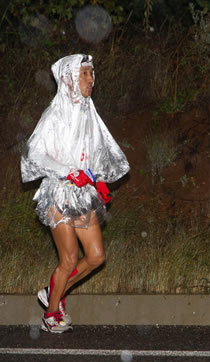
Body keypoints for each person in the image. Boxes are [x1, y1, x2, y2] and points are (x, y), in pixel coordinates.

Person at [20, 54, 130, 333]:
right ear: (69, 78)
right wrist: (68, 171)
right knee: (68, 258)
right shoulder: (54, 114)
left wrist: (101, 181)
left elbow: (96, 152)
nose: (91, 80)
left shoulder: (87, 112)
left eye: (92, 74)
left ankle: (52, 293)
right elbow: (33, 154)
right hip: (58, 194)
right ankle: (51, 314)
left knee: (95, 257)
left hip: (82, 195)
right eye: (85, 74)